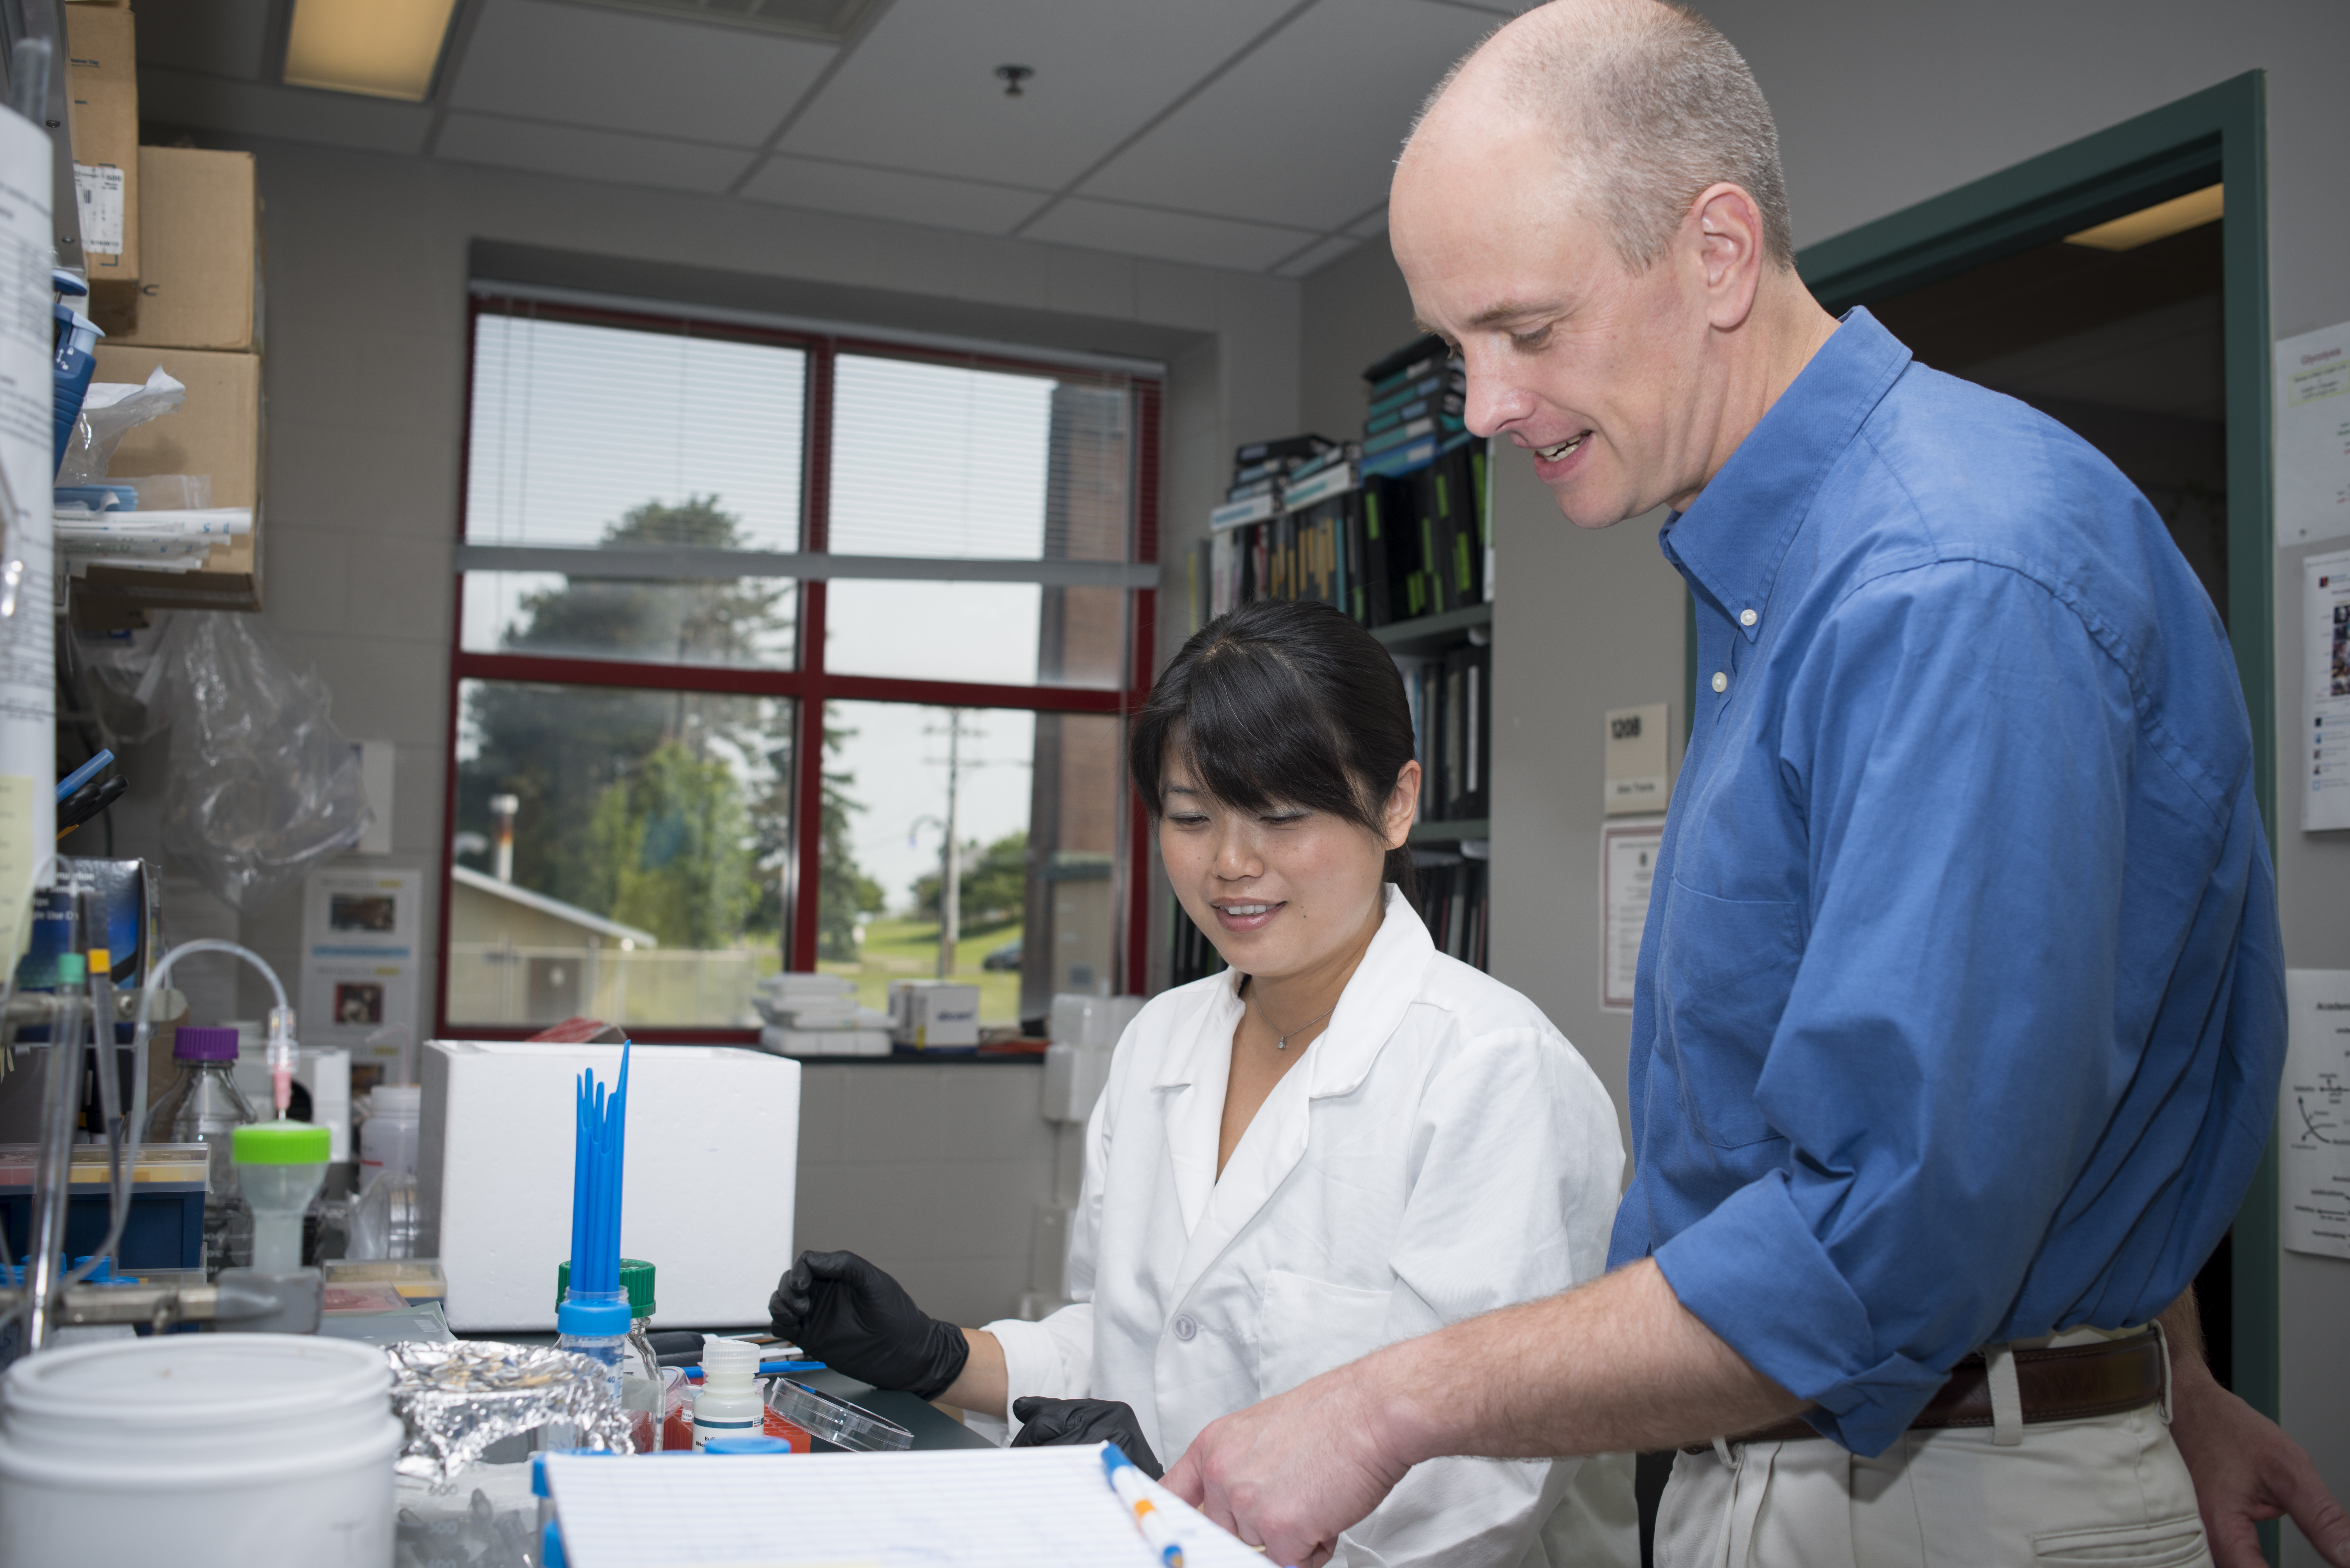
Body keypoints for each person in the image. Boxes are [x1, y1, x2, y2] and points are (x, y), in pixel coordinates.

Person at [1164, 6, 2350, 1568]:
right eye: (1457, 347)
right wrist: (2166, 1367)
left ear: (1718, 253)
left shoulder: (1939, 581)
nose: (1484, 408)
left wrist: (1387, 1403)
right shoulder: (1793, 580)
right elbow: (2062, 1052)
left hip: (1932, 1497)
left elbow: (1881, 1244)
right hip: (1860, 1462)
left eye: (1523, 329)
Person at [769, 597, 1632, 1567]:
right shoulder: (1161, 1044)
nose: (1230, 863)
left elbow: (1481, 1487)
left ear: (1398, 803)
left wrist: (1185, 1523)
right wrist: (944, 1357)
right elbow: (1121, 1342)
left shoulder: (1491, 1071)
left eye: (1281, 815)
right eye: (1191, 817)